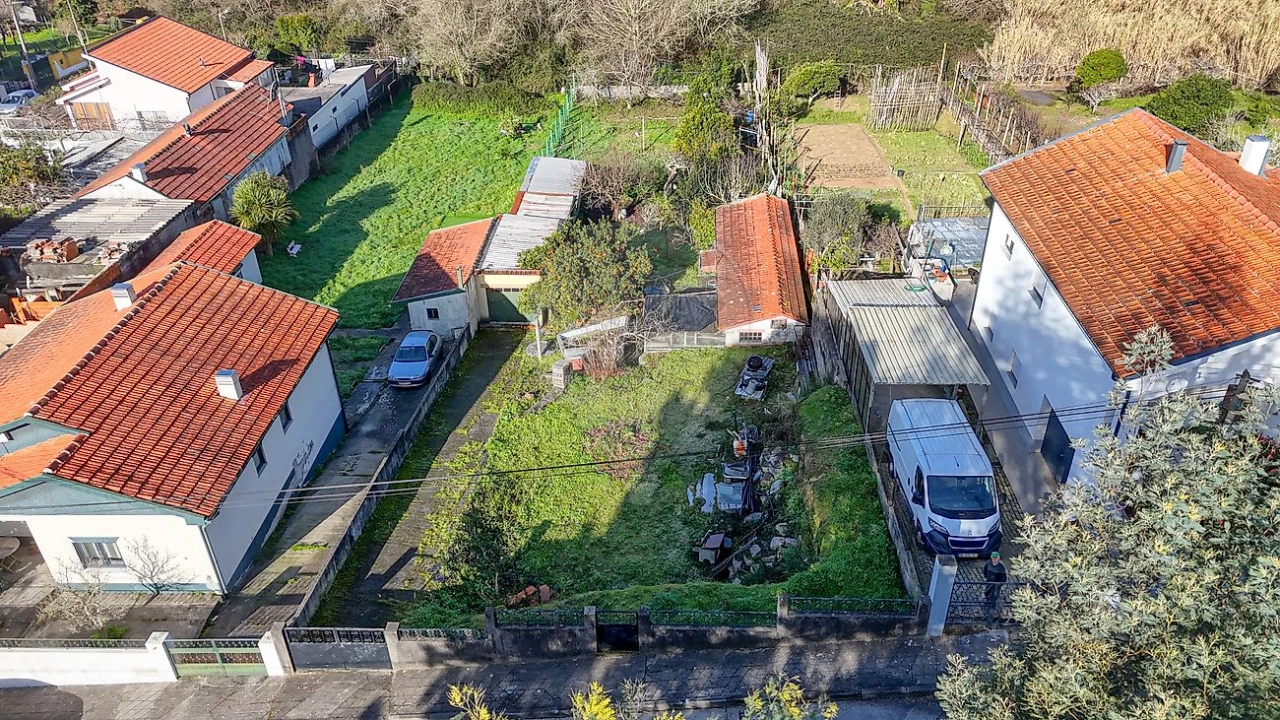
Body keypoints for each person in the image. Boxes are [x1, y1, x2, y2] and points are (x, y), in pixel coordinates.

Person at [983, 551, 1007, 620]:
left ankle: (991, 613)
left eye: (996, 558)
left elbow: (1004, 578)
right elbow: (985, 570)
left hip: (996, 585)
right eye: (993, 558)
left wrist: (999, 584)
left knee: (994, 597)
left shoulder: (1001, 567)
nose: (994, 559)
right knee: (987, 594)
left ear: (998, 558)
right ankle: (987, 604)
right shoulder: (988, 564)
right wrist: (985, 577)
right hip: (989, 583)